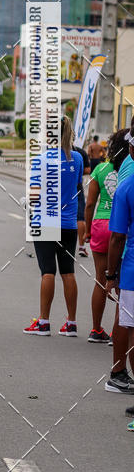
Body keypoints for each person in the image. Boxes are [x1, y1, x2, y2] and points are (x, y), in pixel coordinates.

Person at [23, 116, 83, 337]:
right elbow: (76, 184)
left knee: (47, 271)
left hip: (46, 220)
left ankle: (44, 322)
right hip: (69, 222)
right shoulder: (76, 158)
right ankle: (72, 323)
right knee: (68, 272)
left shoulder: (41, 159)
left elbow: (35, 195)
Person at [84, 129, 128, 345]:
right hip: (121, 228)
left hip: (101, 225)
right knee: (122, 283)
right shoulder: (129, 171)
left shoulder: (100, 169)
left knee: (101, 280)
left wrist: (87, 230)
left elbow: (90, 202)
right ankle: (118, 334)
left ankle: (95, 329)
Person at [103, 124, 134, 395]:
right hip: (127, 254)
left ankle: (118, 370)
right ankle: (117, 371)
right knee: (126, 319)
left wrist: (110, 276)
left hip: (126, 255)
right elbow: (117, 235)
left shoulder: (125, 168)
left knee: (127, 318)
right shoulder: (129, 176)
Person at [74, 145, 91, 257]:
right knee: (80, 217)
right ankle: (81, 246)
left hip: (58, 187)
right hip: (76, 187)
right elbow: (88, 169)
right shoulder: (79, 153)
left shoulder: (51, 152)